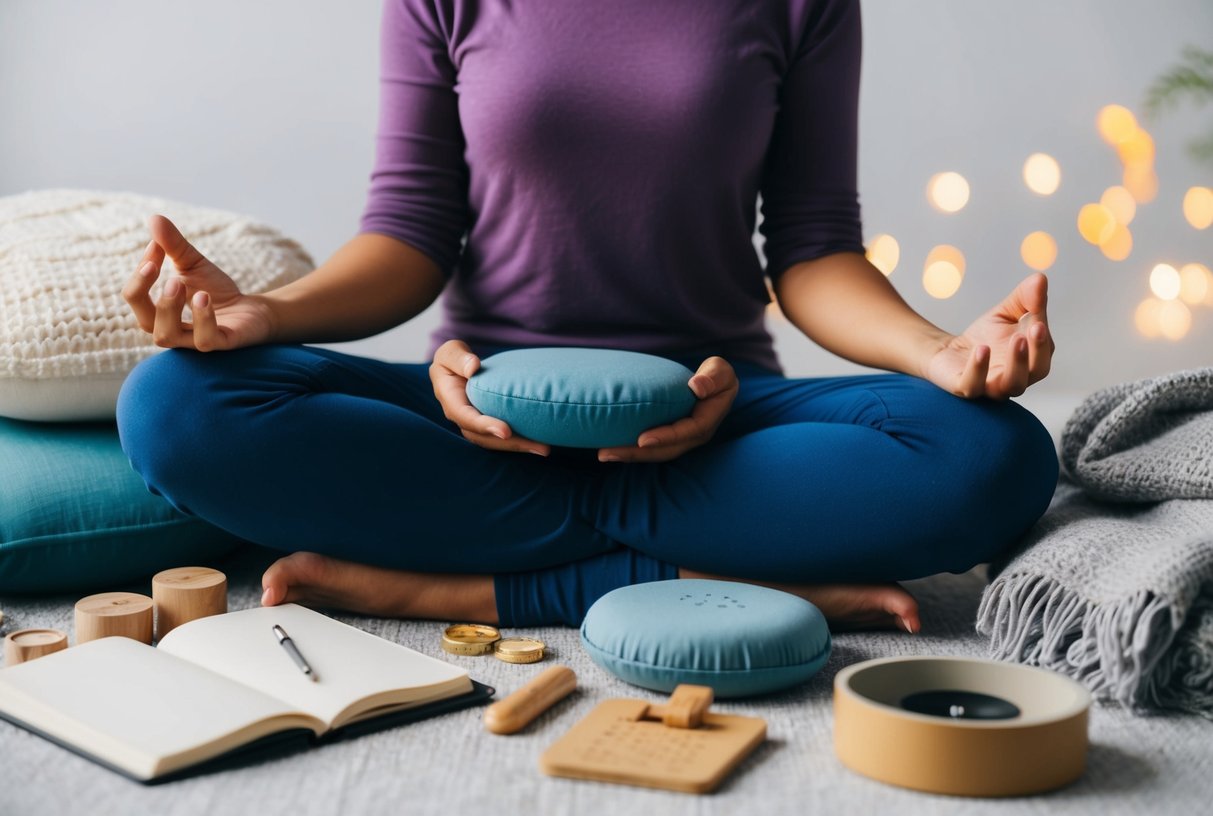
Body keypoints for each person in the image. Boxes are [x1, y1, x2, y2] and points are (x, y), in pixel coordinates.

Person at [116, 0, 1058, 633]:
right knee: (173, 406)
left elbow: (813, 246)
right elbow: (408, 231)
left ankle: (456, 586)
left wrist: (938, 352)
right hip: (475, 417)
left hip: (720, 418)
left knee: (995, 456)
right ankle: (723, 567)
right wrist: (267, 313)